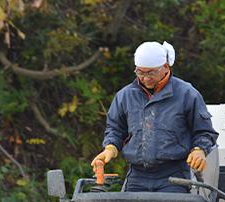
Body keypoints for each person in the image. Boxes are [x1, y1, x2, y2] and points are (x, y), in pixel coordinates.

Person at [91, 41, 218, 192]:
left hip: (173, 174)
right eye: (140, 72)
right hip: (137, 175)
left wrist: (199, 150)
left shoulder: (187, 94)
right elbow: (115, 128)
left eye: (151, 73)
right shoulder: (125, 96)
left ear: (165, 67)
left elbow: (204, 132)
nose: (145, 78)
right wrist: (110, 148)